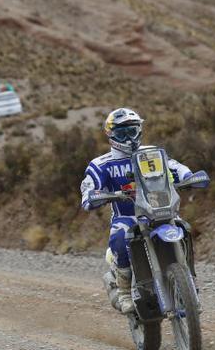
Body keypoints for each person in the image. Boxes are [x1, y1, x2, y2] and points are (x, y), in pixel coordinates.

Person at [80, 108, 193, 314]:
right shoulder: (101, 164)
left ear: (139, 130)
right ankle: (123, 291)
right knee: (121, 236)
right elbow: (89, 187)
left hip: (159, 209)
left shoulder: (152, 153)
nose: (128, 138)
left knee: (183, 228)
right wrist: (92, 195)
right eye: (121, 133)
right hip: (127, 216)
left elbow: (175, 167)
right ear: (111, 134)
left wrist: (189, 176)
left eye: (131, 131)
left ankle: (188, 280)